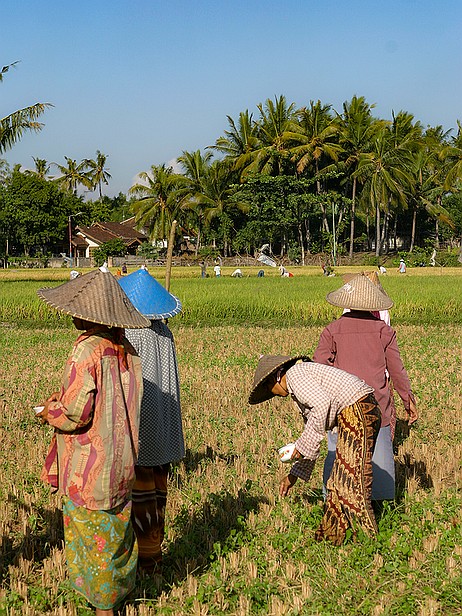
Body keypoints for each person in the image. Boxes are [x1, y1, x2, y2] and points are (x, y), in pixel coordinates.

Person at [36, 267, 149, 616]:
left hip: (90, 469)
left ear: (87, 314)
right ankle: (117, 598)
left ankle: (103, 608)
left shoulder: (87, 350)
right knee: (117, 537)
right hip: (122, 461)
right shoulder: (126, 347)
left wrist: (49, 411)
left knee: (93, 541)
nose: (71, 315)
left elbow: (76, 413)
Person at [249, 355, 381, 545]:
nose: (274, 394)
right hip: (357, 410)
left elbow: (321, 405)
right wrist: (293, 475)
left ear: (274, 379)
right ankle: (332, 538)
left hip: (358, 410)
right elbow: (312, 433)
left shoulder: (295, 375)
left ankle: (369, 543)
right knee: (338, 482)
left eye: (270, 390)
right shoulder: (299, 382)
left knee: (351, 483)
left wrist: (301, 446)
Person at [313, 273, 418, 502]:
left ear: (347, 302)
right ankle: (380, 504)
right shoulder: (384, 331)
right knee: (379, 451)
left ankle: (332, 498)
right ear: (373, 303)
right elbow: (397, 370)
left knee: (337, 451)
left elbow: (319, 368)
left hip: (342, 405)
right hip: (376, 404)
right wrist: (408, 400)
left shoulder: (332, 330)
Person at [119, 269, 185, 575]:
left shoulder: (130, 335)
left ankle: (142, 565)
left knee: (139, 501)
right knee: (157, 499)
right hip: (163, 428)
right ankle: (153, 557)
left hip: (141, 428)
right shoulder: (164, 332)